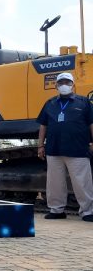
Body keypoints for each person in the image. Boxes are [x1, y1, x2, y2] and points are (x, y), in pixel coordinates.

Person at [36, 72, 93, 221]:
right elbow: (43, 125)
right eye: (61, 83)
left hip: (78, 149)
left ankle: (87, 211)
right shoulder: (50, 103)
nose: (64, 85)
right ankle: (56, 210)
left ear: (73, 85)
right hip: (54, 149)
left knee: (82, 182)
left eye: (67, 82)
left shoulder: (84, 102)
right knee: (54, 182)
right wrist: (40, 145)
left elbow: (91, 124)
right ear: (56, 86)